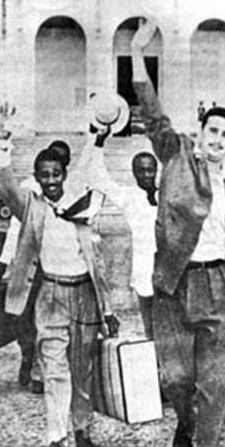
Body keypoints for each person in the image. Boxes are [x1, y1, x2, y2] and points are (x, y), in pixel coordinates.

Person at [130, 19, 225, 447]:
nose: (218, 139)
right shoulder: (176, 155)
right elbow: (152, 110)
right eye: (213, 131)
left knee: (217, 384)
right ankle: (184, 421)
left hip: (220, 287)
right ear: (199, 132)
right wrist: (140, 54)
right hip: (176, 285)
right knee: (177, 377)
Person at [0, 105, 119, 447]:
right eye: (44, 174)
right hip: (49, 296)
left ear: (65, 174)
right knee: (54, 370)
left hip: (84, 298)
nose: (50, 180)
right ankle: (55, 439)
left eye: (56, 173)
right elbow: (3, 185)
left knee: (82, 369)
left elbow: (99, 266)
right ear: (36, 177)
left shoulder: (81, 205)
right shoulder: (31, 208)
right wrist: (2, 142)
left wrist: (107, 310)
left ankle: (81, 427)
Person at [0, 141, 72, 394]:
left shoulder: (71, 194)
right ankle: (29, 356)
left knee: (50, 322)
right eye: (45, 173)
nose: (51, 178)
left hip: (57, 269)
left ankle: (41, 369)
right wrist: (4, 261)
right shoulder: (27, 192)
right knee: (24, 320)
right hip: (29, 266)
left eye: (58, 168)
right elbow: (15, 229)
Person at [84, 142, 159, 339]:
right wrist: (98, 144)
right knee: (152, 330)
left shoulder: (167, 194)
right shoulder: (129, 197)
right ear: (134, 173)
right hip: (145, 274)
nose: (146, 175)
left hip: (170, 275)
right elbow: (98, 178)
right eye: (141, 171)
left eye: (150, 170)